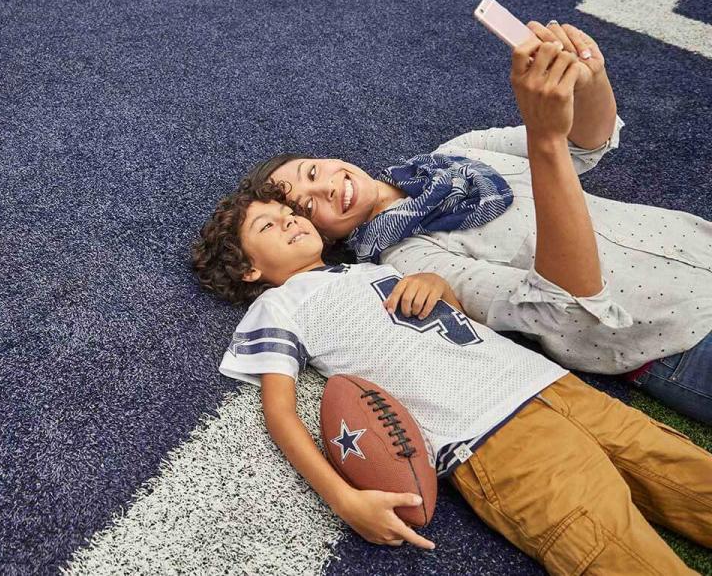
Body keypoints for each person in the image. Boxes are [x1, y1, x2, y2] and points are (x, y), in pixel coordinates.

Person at [190, 177, 712, 575]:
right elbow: (278, 412)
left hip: (551, 386)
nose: (288, 221)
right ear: (248, 271)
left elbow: (453, 321)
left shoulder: (374, 267)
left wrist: (437, 282)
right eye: (268, 227)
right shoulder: (280, 306)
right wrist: (342, 497)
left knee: (691, 476)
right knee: (618, 551)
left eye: (287, 212)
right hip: (488, 438)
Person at [248, 21, 712, 424]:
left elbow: (584, 144)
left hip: (694, 246)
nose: (324, 188)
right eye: (307, 208)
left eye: (312, 172)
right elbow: (564, 302)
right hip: (671, 334)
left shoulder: (454, 153)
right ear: (323, 237)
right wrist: (545, 139)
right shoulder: (407, 260)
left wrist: (591, 77)